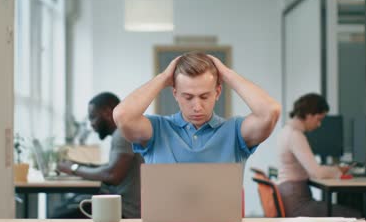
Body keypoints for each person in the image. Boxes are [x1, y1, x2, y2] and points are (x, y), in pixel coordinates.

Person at [113, 51, 281, 164]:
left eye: (204, 96)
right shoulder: (157, 130)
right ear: (175, 94)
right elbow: (122, 115)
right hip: (164, 219)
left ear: (217, 92)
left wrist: (227, 74)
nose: (197, 106)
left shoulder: (235, 132)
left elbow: (270, 111)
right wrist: (163, 77)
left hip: (220, 219)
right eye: (188, 97)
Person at [57, 92, 143, 218]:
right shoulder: (123, 132)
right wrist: (79, 165)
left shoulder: (122, 133)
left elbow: (112, 174)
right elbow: (112, 168)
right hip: (120, 205)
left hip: (124, 211)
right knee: (67, 206)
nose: (91, 124)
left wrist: (73, 169)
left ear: (107, 113)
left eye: (93, 117)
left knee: (59, 216)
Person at [277, 93, 360, 217]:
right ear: (309, 115)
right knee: (355, 216)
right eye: (319, 119)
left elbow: (310, 170)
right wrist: (338, 170)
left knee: (345, 212)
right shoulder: (295, 135)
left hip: (290, 196)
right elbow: (317, 173)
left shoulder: (286, 131)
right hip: (297, 203)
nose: (319, 124)